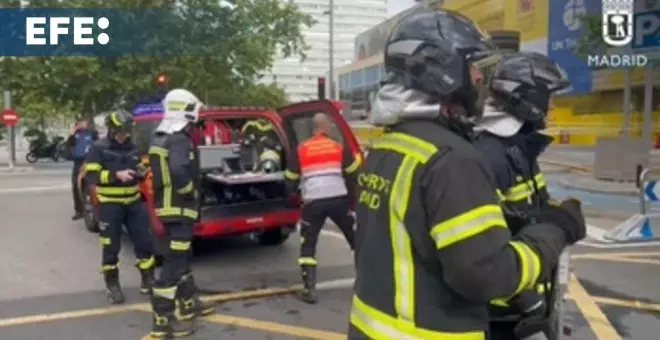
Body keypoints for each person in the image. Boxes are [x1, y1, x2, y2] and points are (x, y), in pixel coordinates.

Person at [349, 8, 586, 340]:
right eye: (475, 68)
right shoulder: (452, 159)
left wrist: (510, 221)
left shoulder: (388, 147)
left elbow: (418, 233)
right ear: (444, 72)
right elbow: (487, 275)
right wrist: (554, 232)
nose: (480, 80)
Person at [473, 52, 571, 339]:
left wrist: (559, 219)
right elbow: (483, 242)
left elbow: (528, 211)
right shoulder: (490, 154)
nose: (552, 106)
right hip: (502, 312)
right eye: (548, 97)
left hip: (524, 303)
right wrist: (524, 297)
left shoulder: (518, 148)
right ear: (529, 98)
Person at [148, 89, 215, 338]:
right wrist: (191, 192)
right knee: (174, 264)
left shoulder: (159, 136)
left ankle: (188, 303)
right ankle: (162, 320)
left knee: (183, 255)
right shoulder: (178, 139)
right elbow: (178, 171)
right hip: (178, 207)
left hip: (167, 207)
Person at [283, 113, 360, 304]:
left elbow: (290, 179)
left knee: (308, 244)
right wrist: (353, 203)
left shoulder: (302, 149)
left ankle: (309, 289)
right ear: (325, 127)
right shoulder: (339, 148)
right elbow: (353, 176)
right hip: (338, 200)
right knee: (356, 240)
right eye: (331, 126)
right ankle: (368, 282)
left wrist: (294, 198)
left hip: (313, 201)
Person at [83, 110, 155, 304]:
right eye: (122, 132)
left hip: (133, 202)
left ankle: (148, 279)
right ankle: (112, 285)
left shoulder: (132, 146)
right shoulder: (98, 148)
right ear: (112, 130)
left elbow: (139, 164)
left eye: (127, 131)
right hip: (110, 205)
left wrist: (141, 172)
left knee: (144, 242)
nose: (126, 135)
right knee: (111, 246)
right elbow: (92, 176)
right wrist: (116, 176)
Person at [66, 119, 98, 220]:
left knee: (90, 185)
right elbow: (69, 144)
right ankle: (79, 210)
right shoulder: (75, 134)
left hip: (89, 162)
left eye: (83, 122)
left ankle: (91, 209)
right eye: (79, 123)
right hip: (78, 163)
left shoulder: (92, 133)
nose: (81, 124)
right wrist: (71, 133)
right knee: (75, 186)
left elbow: (98, 145)